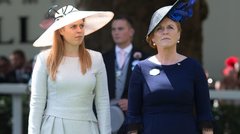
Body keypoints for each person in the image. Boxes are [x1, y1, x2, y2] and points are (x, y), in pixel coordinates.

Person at [126, 0, 214, 134]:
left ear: (178, 34)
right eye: (159, 28)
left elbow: (205, 116)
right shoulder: (141, 69)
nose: (165, 32)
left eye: (170, 27)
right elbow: (133, 118)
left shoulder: (194, 67)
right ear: (153, 38)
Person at [28, 4, 114, 134]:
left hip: (88, 127)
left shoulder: (96, 58)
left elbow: (102, 102)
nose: (79, 30)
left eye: (81, 25)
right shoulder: (44, 58)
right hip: (53, 128)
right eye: (73, 26)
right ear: (61, 30)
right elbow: (37, 102)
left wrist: (106, 132)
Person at [103, 15, 147, 133]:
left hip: (134, 119)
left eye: (120, 29)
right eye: (113, 29)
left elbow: (149, 89)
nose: (116, 32)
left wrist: (134, 102)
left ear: (131, 31)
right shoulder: (103, 58)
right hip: (109, 118)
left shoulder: (145, 59)